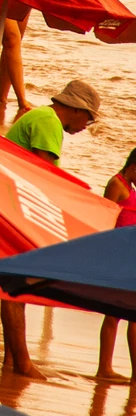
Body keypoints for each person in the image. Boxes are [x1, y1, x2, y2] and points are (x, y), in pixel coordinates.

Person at [1, 81, 100, 379]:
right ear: (76, 109)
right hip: (15, 205)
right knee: (18, 286)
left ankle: (12, 359)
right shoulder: (48, 121)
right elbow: (44, 176)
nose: (87, 125)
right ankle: (22, 364)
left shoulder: (41, 117)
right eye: (90, 118)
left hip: (10, 199)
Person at [97, 148, 136, 381]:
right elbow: (102, 216)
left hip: (129, 256)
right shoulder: (117, 184)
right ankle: (105, 369)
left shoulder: (129, 188)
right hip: (118, 256)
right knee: (115, 314)